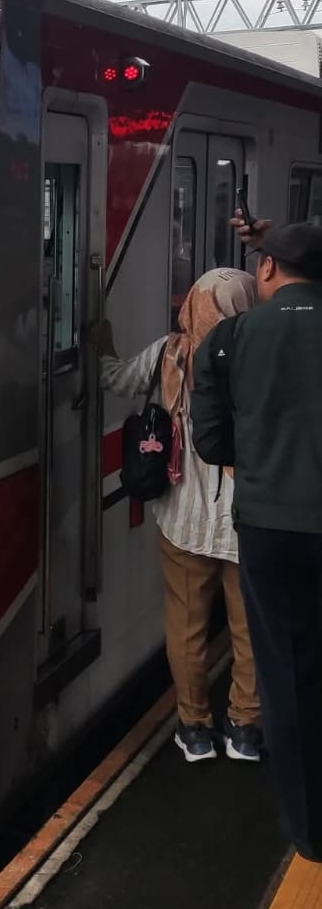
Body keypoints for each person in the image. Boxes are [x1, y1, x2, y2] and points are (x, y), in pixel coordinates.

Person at [192, 224, 322, 862]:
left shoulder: (229, 340)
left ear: (268, 269)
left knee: (289, 676)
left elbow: (212, 444)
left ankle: (310, 827)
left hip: (270, 531)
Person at [96, 268, 261, 763]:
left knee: (186, 630)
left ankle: (194, 730)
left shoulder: (172, 352)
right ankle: (245, 730)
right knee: (249, 632)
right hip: (246, 524)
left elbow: (113, 377)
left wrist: (99, 337)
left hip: (183, 524)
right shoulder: (262, 361)